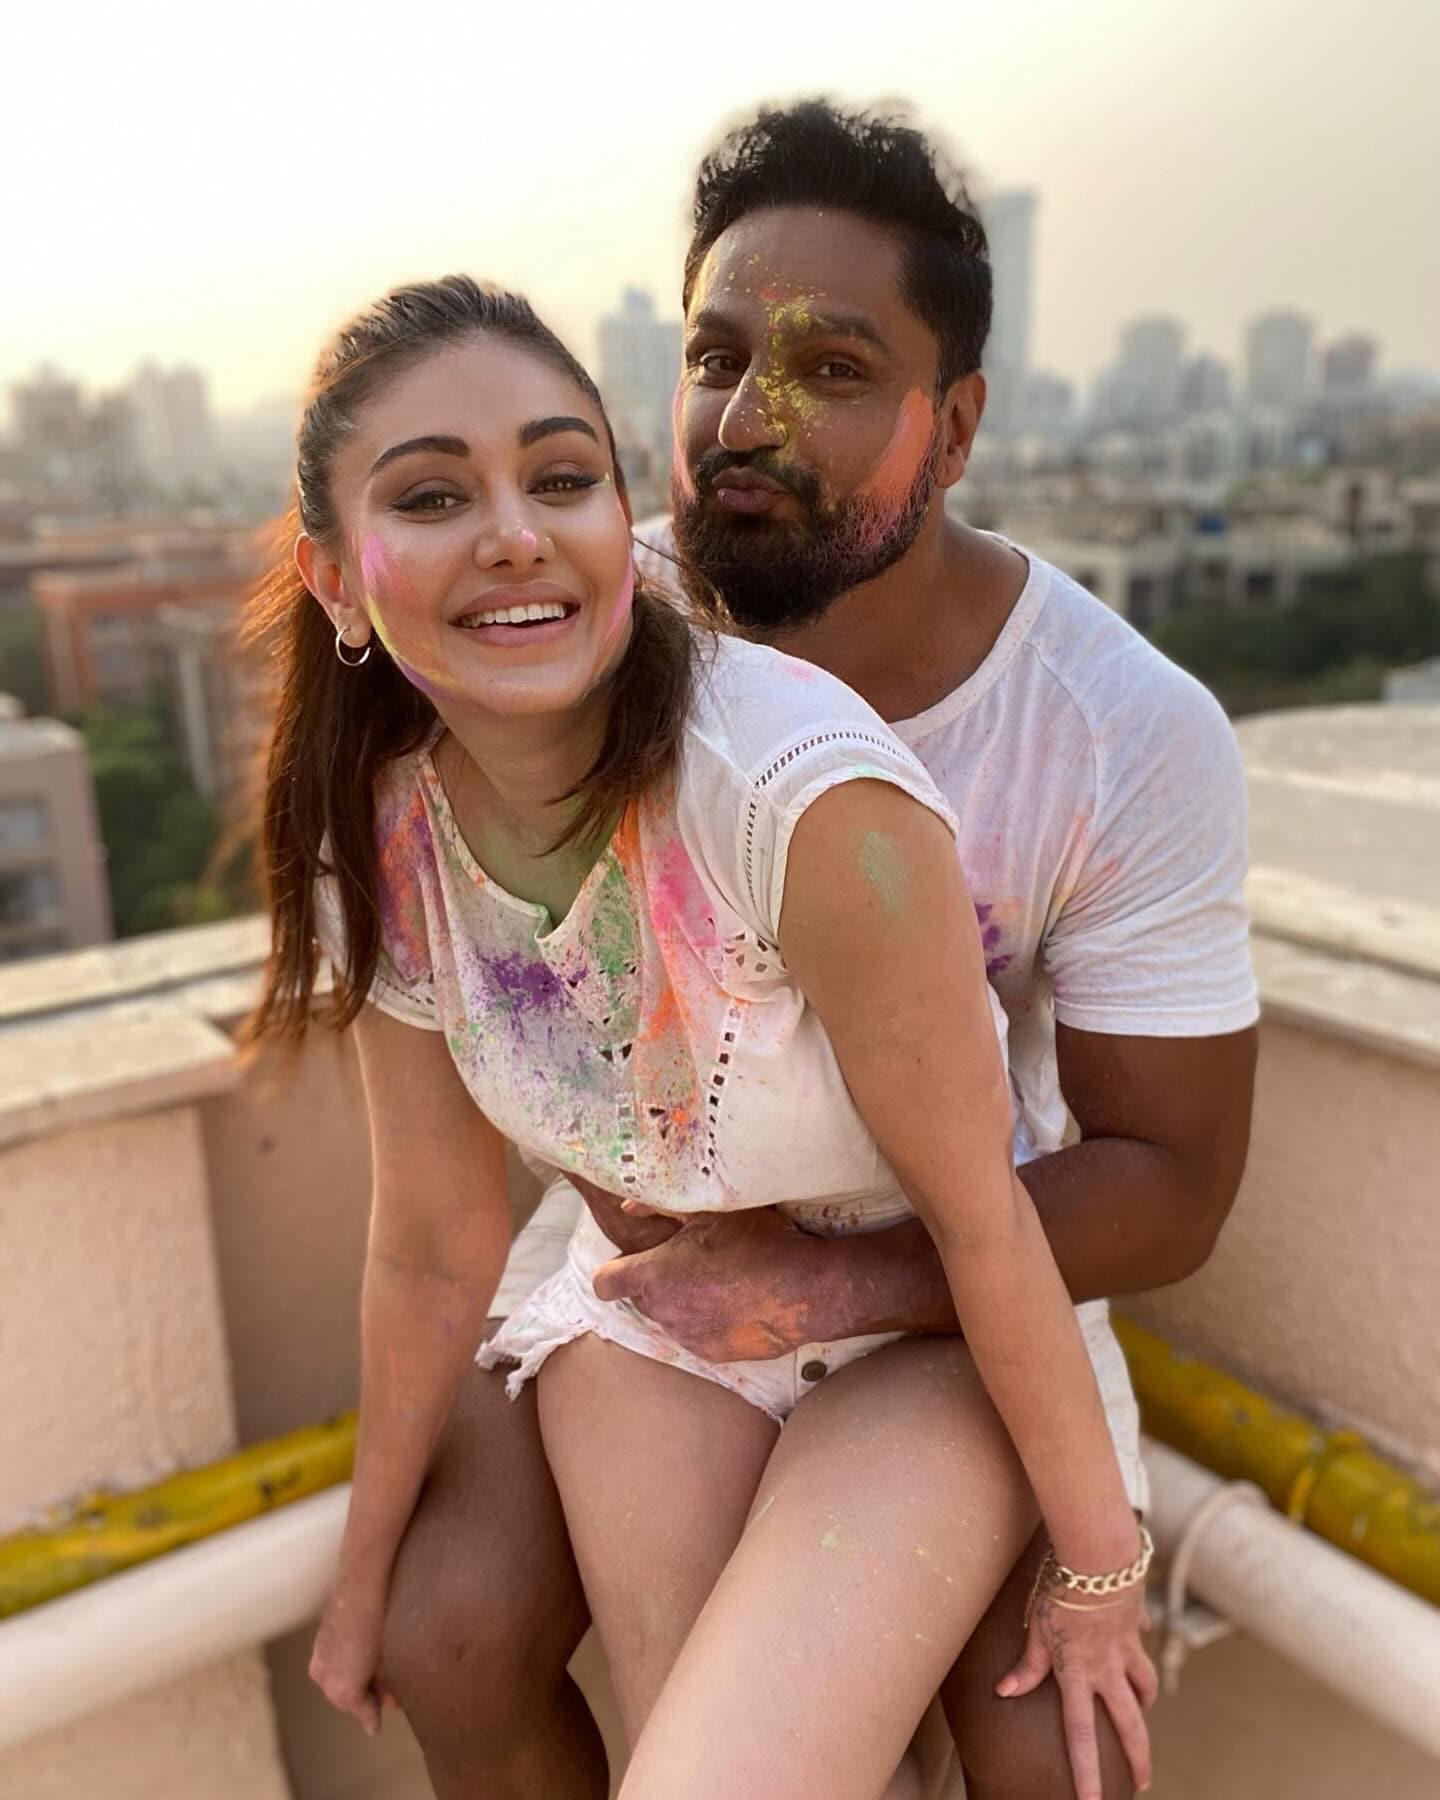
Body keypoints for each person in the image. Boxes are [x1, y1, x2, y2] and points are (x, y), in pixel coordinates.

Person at [374, 102, 1259, 1800]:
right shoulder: (580, 622)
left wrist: (829, 1284)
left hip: (958, 1253)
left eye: (835, 369)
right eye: (715, 357)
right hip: (649, 1241)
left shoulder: (1116, 727)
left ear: (958, 424)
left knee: (1059, 1754)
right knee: (454, 1633)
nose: (746, 420)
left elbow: (1173, 1179)